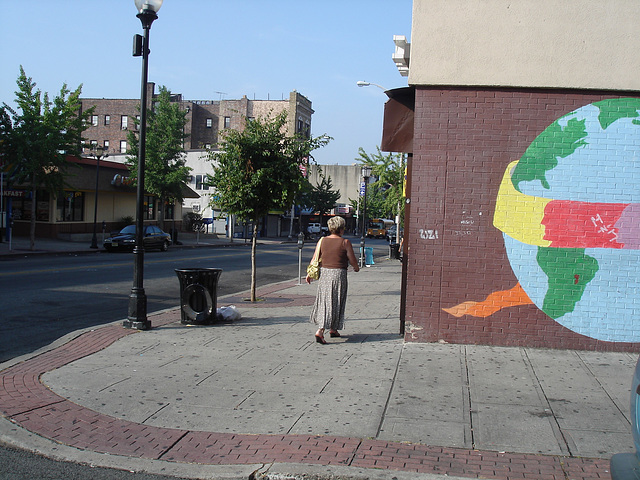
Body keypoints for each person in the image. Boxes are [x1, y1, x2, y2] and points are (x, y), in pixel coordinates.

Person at [306, 216, 360, 344]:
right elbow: (352, 259)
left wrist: (309, 274)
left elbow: (315, 258)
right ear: (341, 229)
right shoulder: (345, 242)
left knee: (325, 301)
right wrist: (356, 267)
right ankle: (320, 331)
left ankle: (333, 329)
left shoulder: (322, 241)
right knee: (336, 301)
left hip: (325, 274)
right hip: (338, 275)